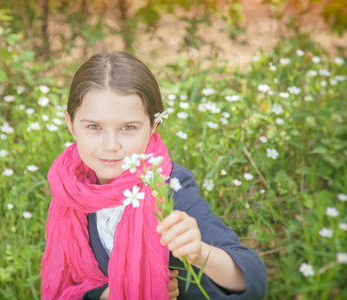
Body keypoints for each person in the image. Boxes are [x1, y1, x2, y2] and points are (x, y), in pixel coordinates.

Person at [41, 52, 267, 299]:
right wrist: (110, 294)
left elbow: (252, 280)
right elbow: (71, 284)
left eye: (128, 128)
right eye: (93, 127)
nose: (111, 145)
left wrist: (199, 252)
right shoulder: (70, 187)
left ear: (153, 127)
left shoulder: (167, 187)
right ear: (71, 124)